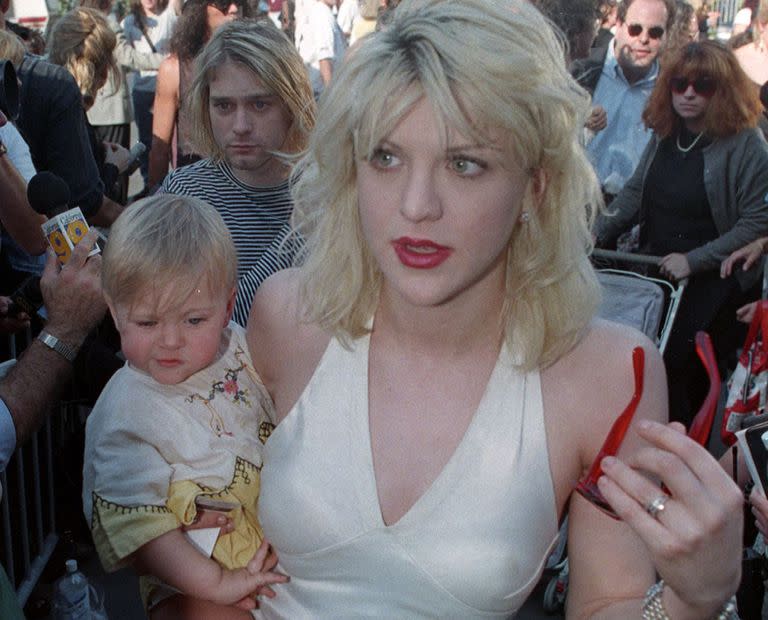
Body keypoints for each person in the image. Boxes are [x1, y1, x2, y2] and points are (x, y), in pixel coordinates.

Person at [231, 1, 740, 617]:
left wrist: (694, 600)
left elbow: (609, 602)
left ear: (535, 187)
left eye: (464, 163)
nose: (417, 205)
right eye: (386, 157)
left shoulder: (608, 375)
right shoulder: (287, 316)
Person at [82, 195, 287, 618]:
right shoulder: (126, 413)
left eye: (194, 321)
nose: (171, 341)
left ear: (228, 308)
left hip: (274, 553)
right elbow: (142, 532)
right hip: (191, 581)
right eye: (147, 322)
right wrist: (219, 584)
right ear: (115, 313)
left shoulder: (239, 349)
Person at [594, 41, 768, 427]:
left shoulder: (746, 144)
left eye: (702, 85)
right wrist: (594, 233)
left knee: (672, 364)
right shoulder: (666, 134)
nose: (688, 93)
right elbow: (635, 194)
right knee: (623, 353)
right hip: (656, 265)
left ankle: (675, 444)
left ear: (722, 90)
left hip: (714, 277)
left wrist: (694, 260)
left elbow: (756, 222)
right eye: (680, 83)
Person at [158, 19, 315, 326]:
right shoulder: (187, 197)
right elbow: (212, 331)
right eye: (224, 106)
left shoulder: (332, 188)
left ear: (291, 104)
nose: (241, 126)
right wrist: (306, 224)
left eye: (259, 104)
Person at [572, 0, 675, 198]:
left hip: (634, 212)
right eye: (635, 29)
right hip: (577, 200)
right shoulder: (582, 71)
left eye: (655, 33)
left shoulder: (672, 88)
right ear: (618, 25)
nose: (644, 39)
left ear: (666, 35)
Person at [147, 0, 246, 191]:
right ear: (198, 8)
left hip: (246, 188)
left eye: (238, 1)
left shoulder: (253, 62)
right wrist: (155, 197)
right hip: (196, 192)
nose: (233, 8)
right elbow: (159, 148)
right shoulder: (174, 69)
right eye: (223, 4)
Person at [47, 7, 136, 204]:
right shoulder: (70, 113)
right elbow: (89, 202)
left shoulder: (45, 98)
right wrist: (114, 166)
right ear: (104, 73)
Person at [80, 0, 165, 204]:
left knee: (93, 172)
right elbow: (128, 57)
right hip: (111, 109)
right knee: (117, 170)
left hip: (87, 106)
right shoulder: (108, 24)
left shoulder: (77, 21)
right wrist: (167, 61)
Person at [122, 0, 181, 191]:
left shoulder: (170, 14)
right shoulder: (129, 22)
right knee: (148, 141)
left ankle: (178, 182)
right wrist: (159, 61)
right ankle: (151, 186)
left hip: (170, 86)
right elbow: (127, 57)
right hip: (143, 90)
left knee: (173, 142)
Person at [295, 0, 346, 97]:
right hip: (321, 94)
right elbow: (324, 60)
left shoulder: (321, 12)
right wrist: (332, 98)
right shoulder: (322, 14)